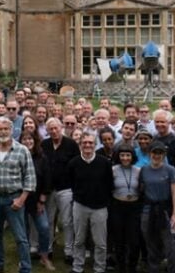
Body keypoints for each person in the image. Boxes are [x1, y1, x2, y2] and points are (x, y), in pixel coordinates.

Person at [0, 118, 36, 273]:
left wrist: (22, 199)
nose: (2, 132)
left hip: (13, 198)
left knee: (20, 237)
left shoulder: (22, 150)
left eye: (5, 129)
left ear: (11, 130)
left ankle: (26, 268)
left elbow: (30, 177)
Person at [67, 131, 114, 273]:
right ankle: (77, 267)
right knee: (79, 240)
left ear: (95, 145)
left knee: (100, 242)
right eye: (84, 142)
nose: (87, 145)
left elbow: (109, 184)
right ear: (80, 144)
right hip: (80, 205)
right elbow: (72, 183)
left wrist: (102, 201)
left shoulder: (104, 162)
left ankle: (99, 268)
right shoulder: (73, 163)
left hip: (99, 207)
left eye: (90, 143)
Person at [41, 116, 80, 265]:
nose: (54, 131)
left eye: (56, 128)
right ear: (47, 131)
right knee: (49, 220)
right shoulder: (44, 145)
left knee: (67, 221)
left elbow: (76, 167)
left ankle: (69, 251)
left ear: (61, 128)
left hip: (66, 189)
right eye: (50, 129)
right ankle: (48, 248)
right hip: (49, 190)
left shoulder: (71, 144)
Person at [140, 142, 175, 273]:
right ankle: (153, 269)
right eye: (154, 152)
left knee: (170, 244)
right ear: (149, 153)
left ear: (164, 155)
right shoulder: (144, 170)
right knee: (150, 241)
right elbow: (141, 190)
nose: (156, 155)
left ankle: (173, 269)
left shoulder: (170, 170)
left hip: (165, 211)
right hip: (148, 211)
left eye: (160, 153)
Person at [20, 128, 55, 271]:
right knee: (23, 231)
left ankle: (44, 257)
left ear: (35, 141)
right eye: (24, 139)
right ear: (20, 142)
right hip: (20, 200)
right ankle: (23, 259)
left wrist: (42, 200)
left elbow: (47, 180)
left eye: (30, 139)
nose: (28, 141)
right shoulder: (17, 156)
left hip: (36, 201)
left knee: (44, 227)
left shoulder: (42, 158)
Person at [110, 144, 142, 273]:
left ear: (132, 156)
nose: (125, 158)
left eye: (128, 155)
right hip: (117, 206)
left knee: (134, 240)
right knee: (119, 240)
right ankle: (121, 267)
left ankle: (132, 266)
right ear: (118, 156)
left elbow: (141, 189)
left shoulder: (138, 170)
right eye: (122, 155)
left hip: (133, 208)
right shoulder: (113, 170)